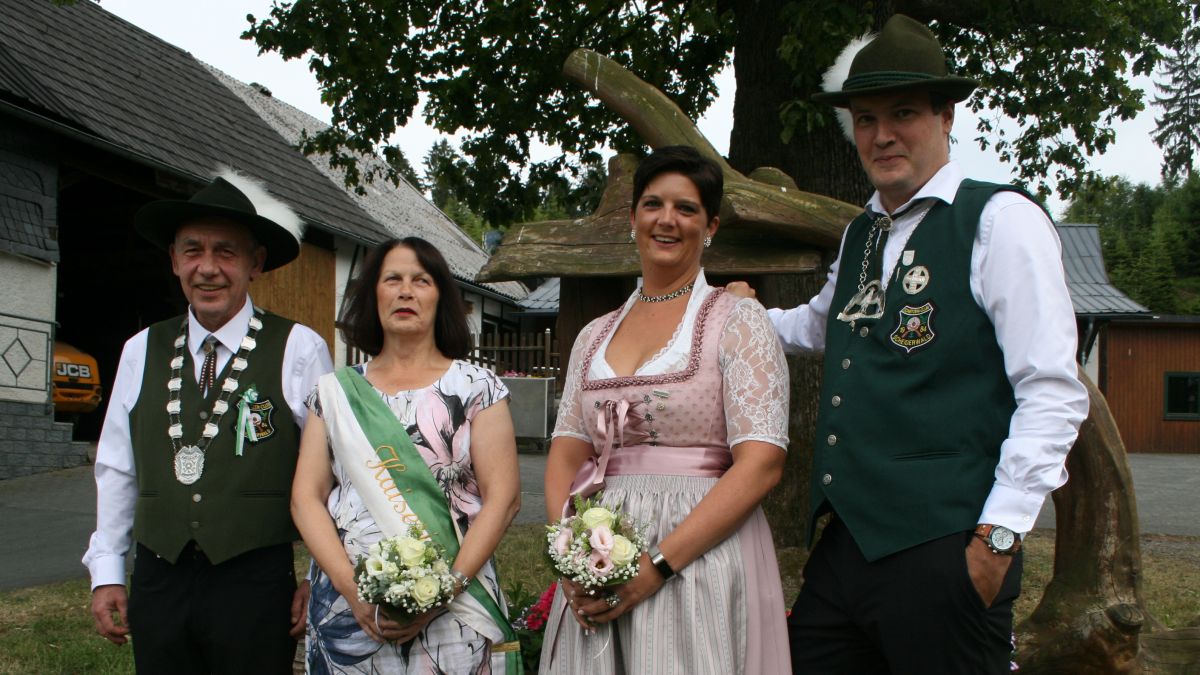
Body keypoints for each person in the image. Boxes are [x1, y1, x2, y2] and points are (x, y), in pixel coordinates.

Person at [727, 14, 1090, 674]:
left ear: (946, 116)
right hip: (848, 546)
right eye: (865, 118)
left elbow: (1052, 391)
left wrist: (998, 539)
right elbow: (817, 325)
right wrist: (737, 317)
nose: (881, 134)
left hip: (948, 544)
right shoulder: (862, 233)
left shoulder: (1000, 221)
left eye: (902, 113)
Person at [540, 145, 792, 674]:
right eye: (653, 204)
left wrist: (656, 566)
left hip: (698, 555)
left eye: (687, 208)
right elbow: (567, 450)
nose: (667, 220)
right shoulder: (593, 336)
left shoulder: (738, 321)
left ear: (711, 225)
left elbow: (762, 462)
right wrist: (569, 554)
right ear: (633, 218)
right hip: (600, 551)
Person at [83, 169, 334, 673]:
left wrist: (320, 576)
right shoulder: (140, 350)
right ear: (174, 260)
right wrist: (107, 571)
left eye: (226, 252)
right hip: (160, 579)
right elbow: (116, 468)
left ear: (255, 263)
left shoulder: (300, 348)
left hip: (255, 582)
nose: (208, 268)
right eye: (193, 250)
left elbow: (330, 475)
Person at [292, 236, 523, 673]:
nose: (405, 291)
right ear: (372, 294)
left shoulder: (478, 388)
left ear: (441, 297)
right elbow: (306, 498)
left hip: (456, 612)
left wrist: (443, 591)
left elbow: (504, 499)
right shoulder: (334, 392)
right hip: (349, 610)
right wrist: (352, 590)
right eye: (392, 279)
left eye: (421, 280)